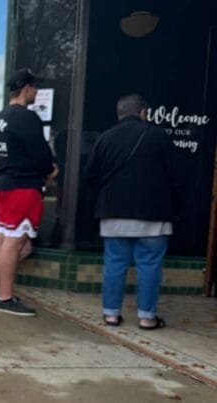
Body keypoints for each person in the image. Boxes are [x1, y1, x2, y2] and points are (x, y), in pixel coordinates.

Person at [85, 94, 180, 330]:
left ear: (119, 115)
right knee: (150, 265)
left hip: (113, 212)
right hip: (153, 214)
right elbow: (176, 175)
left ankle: (111, 314)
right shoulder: (159, 135)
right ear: (143, 112)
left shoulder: (105, 138)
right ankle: (147, 317)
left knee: (115, 264)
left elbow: (90, 175)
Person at [0, 68, 58, 316]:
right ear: (26, 88)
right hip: (23, 186)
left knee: (1, 237)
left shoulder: (1, 117)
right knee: (14, 241)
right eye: (34, 87)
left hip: (4, 182)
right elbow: (41, 153)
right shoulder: (26, 118)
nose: (36, 92)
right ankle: (5, 297)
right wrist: (50, 170)